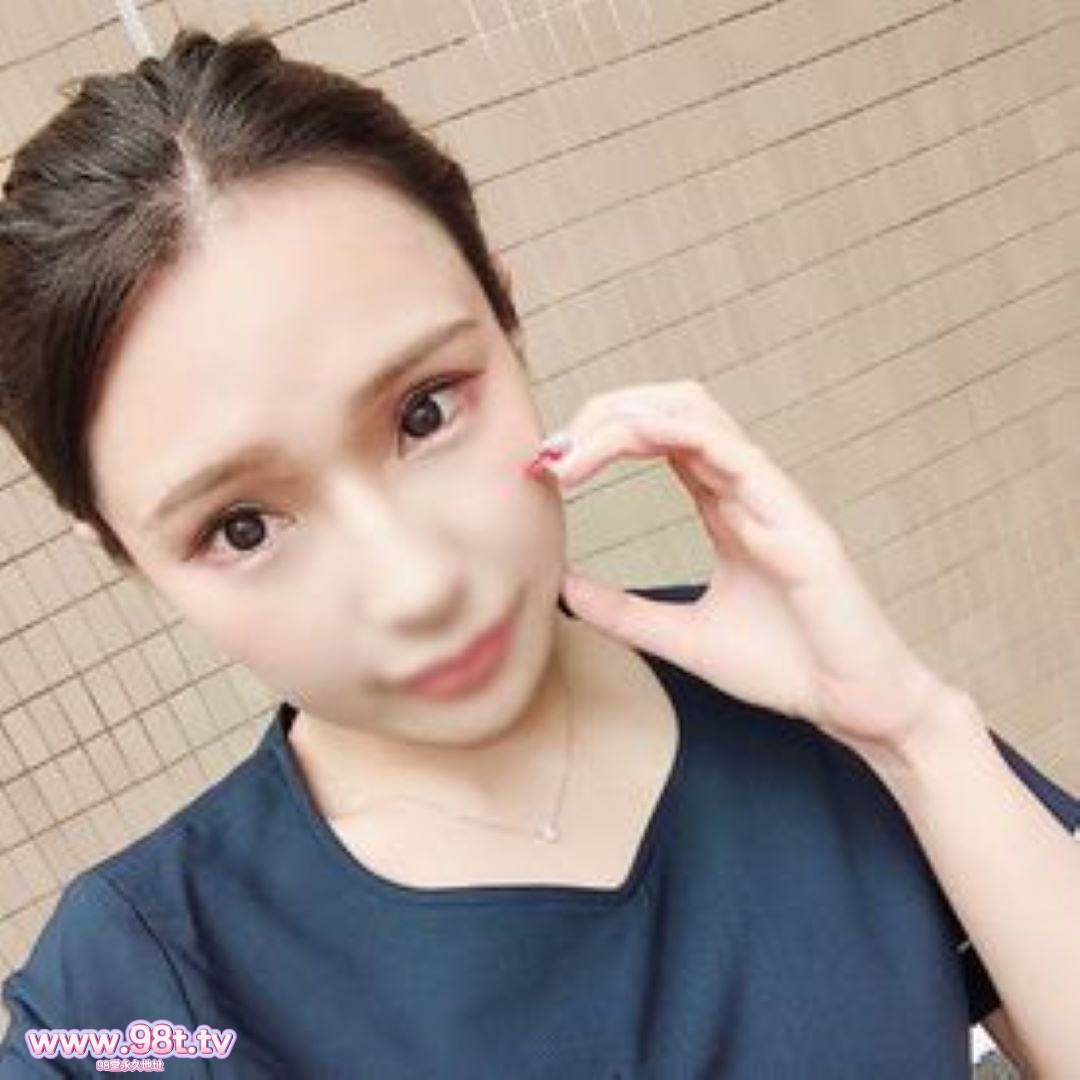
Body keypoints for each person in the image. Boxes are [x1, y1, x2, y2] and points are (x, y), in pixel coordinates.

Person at [0, 26, 1077, 1079]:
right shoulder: (134, 1005)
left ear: (506, 315)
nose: (416, 585)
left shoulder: (814, 711)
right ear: (120, 547)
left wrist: (916, 736)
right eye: (241, 527)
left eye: (426, 412)